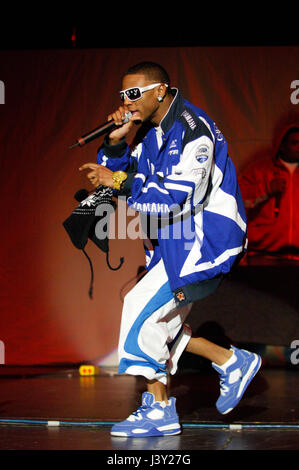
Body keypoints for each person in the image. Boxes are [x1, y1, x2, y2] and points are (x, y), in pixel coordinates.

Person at [79, 62, 261, 437]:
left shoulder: (194, 131)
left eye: (134, 94)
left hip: (202, 241)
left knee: (139, 311)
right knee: (160, 324)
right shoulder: (148, 132)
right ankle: (230, 360)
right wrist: (115, 140)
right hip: (169, 244)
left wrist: (115, 180)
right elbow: (127, 176)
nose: (126, 103)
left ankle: (160, 409)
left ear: (159, 91)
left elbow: (176, 198)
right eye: (122, 96)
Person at [238, 125, 299, 262]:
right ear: (282, 145)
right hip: (264, 256)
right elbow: (238, 199)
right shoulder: (260, 169)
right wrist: (266, 189)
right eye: (295, 143)